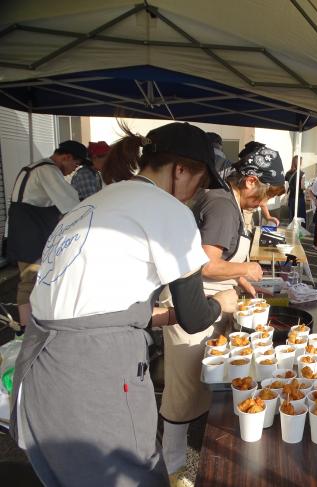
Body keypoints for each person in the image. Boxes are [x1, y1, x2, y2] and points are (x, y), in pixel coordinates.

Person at [10, 122, 223, 487]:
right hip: (91, 371)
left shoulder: (97, 201)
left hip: (39, 367)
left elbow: (91, 299)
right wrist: (221, 303)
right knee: (129, 474)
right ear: (180, 170)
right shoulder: (168, 210)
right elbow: (194, 318)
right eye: (199, 183)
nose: (195, 195)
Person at [161, 143, 285, 483]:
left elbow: (220, 261)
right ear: (249, 181)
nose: (264, 203)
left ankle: (194, 459)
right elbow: (204, 264)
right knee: (183, 392)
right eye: (264, 194)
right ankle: (172, 469)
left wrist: (242, 279)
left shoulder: (226, 202)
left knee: (203, 387)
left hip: (213, 303)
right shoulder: (221, 205)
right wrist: (248, 266)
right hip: (191, 308)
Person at [7, 140, 82, 328]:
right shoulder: (48, 170)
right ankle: (27, 328)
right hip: (32, 233)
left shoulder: (31, 167)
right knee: (31, 280)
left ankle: (30, 325)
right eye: (75, 164)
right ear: (66, 157)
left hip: (25, 231)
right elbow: (72, 204)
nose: (74, 169)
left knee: (31, 280)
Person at [287, 155, 306, 225]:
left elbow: (286, 187)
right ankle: (299, 234)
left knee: (291, 217)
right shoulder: (302, 174)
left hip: (291, 198)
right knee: (300, 217)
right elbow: (302, 187)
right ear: (300, 163)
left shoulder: (287, 174)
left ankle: (291, 233)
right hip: (299, 198)